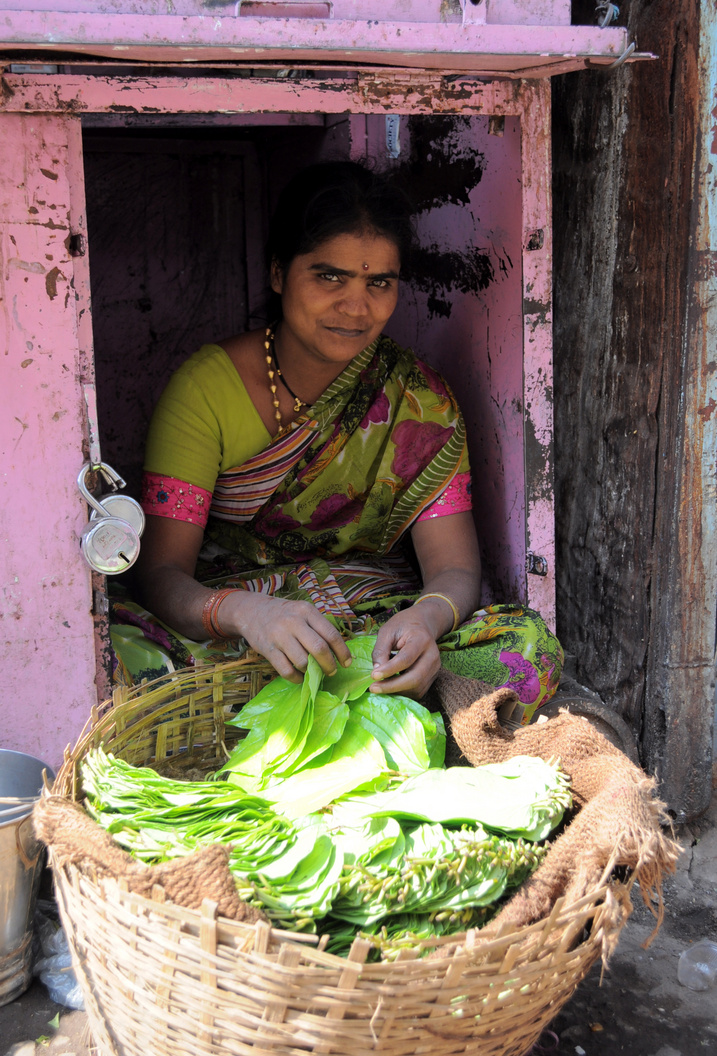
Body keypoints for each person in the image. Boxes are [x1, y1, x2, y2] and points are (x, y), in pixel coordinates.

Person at [111, 160, 562, 719]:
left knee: (526, 643)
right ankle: (387, 714)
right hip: (241, 635)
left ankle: (378, 697)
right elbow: (158, 576)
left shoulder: (419, 400)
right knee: (123, 655)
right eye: (330, 277)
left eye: (379, 283)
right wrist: (249, 614)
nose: (356, 306)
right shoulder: (206, 389)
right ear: (279, 273)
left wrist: (424, 620)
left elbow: (456, 570)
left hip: (372, 619)